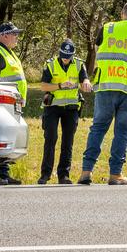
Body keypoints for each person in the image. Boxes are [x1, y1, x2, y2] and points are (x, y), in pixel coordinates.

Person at [78, 1, 127, 186]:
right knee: (122, 132)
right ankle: (115, 174)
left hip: (106, 87)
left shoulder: (107, 28)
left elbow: (97, 47)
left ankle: (86, 172)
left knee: (98, 128)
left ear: (121, 14)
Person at [37, 39, 93, 185]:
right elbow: (43, 86)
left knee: (68, 142)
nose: (65, 58)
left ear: (73, 55)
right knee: (50, 138)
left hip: (72, 108)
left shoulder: (80, 64)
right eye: (63, 55)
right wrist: (60, 85)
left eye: (68, 56)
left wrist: (86, 83)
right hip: (52, 107)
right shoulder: (50, 64)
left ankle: (64, 175)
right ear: (59, 53)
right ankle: (45, 174)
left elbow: (84, 79)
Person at [0, 22, 27, 186]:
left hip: (12, 104)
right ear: (4, 35)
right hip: (0, 104)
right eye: (14, 34)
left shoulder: (10, 53)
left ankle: (3, 173)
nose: (17, 37)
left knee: (7, 139)